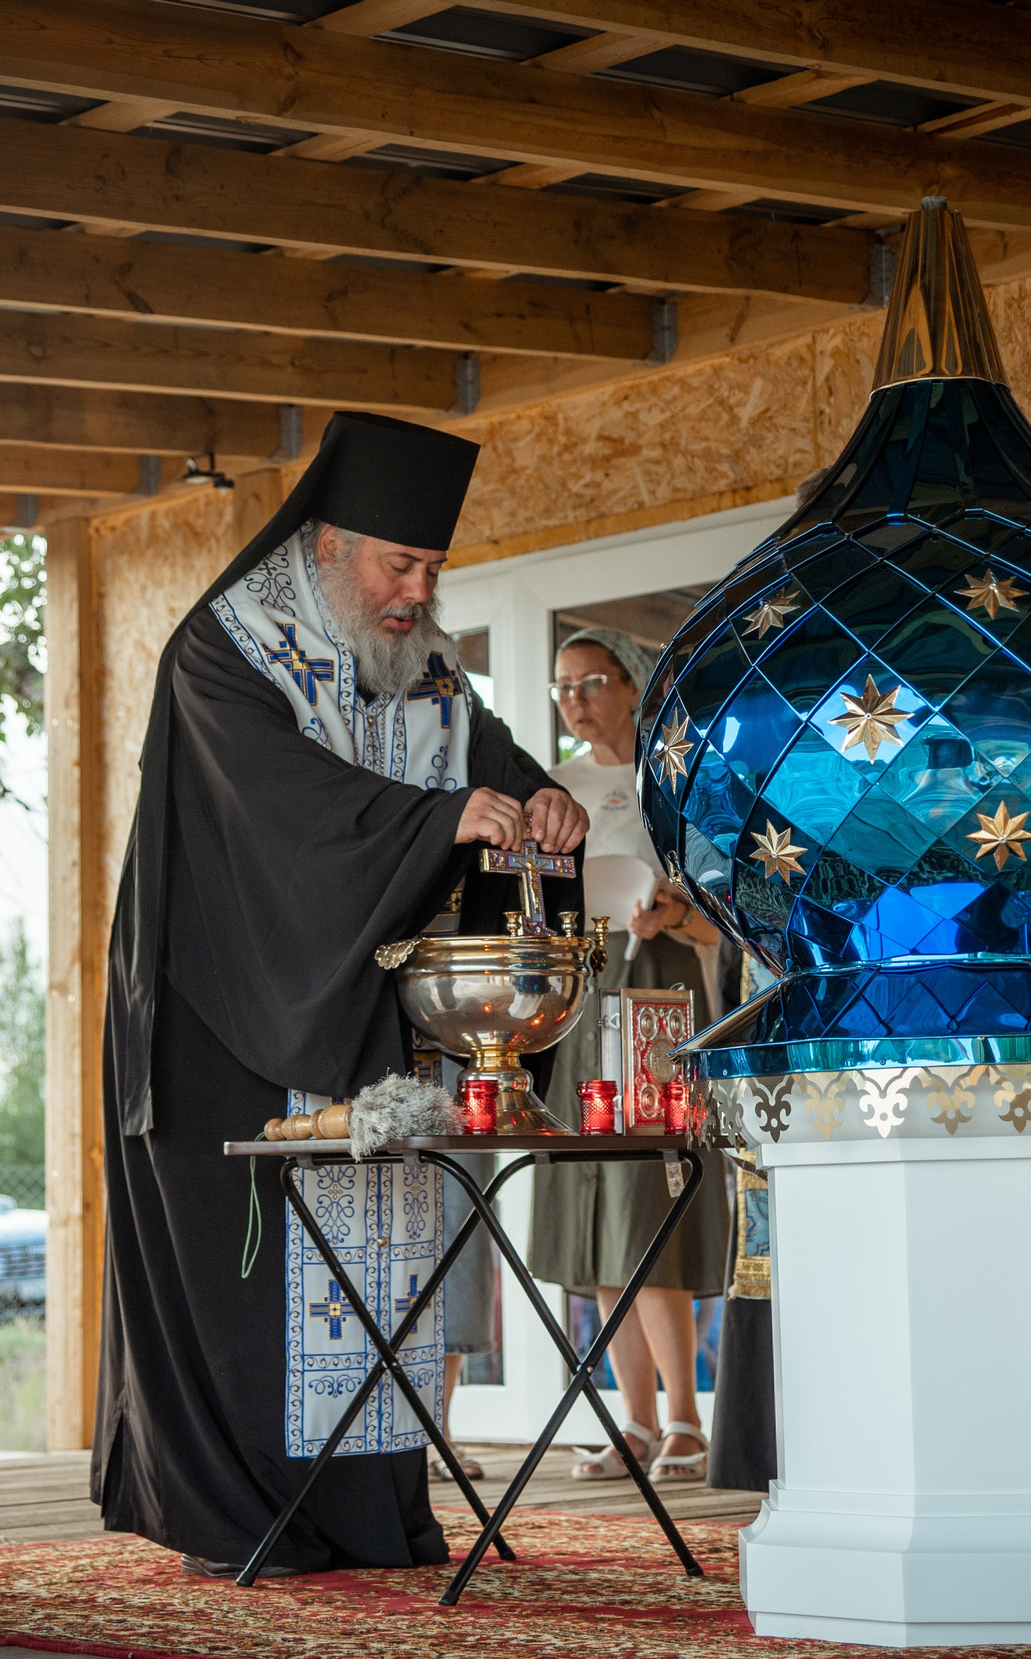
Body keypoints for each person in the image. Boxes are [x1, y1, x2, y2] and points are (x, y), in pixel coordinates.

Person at [97, 410, 587, 1575]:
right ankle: (246, 1514)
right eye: (398, 564)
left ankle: (372, 1515)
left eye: (431, 569)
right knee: (260, 1288)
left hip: (367, 1018)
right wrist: (429, 822)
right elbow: (274, 807)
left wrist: (545, 803)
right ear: (325, 546)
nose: (417, 592)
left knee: (382, 1275)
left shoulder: (420, 663)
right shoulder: (226, 647)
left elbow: (495, 766)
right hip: (228, 1014)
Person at [531, 628, 730, 1483]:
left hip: (659, 991)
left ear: (632, 686)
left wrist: (676, 913)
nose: (575, 700)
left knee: (647, 1197)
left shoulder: (677, 784)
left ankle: (688, 1417)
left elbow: (729, 914)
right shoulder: (557, 790)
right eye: (561, 687)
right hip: (581, 995)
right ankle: (634, 1421)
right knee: (597, 1194)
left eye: (591, 682)